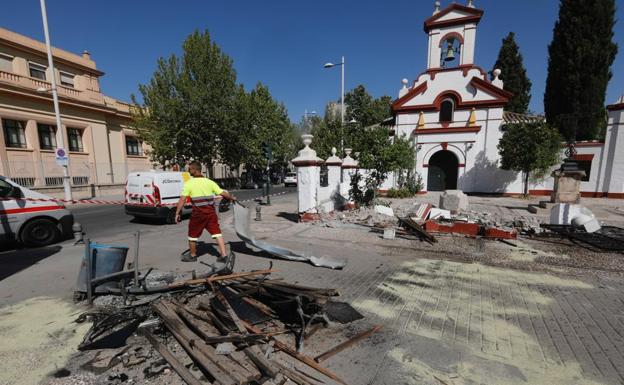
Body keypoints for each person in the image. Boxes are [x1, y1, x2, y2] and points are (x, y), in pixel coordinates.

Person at [175, 161, 236, 262]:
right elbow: (223, 193)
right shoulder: (210, 182)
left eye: (190, 169)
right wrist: (232, 198)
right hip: (211, 213)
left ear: (195, 170)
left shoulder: (189, 183)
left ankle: (193, 255)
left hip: (198, 214)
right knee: (217, 233)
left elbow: (182, 199)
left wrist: (177, 213)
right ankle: (224, 256)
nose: (188, 170)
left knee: (192, 235)